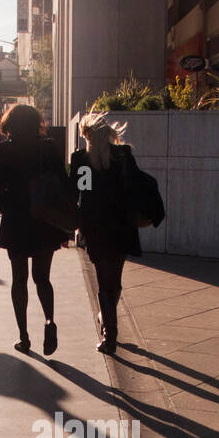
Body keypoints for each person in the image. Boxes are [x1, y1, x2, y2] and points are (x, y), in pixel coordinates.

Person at [0, 104, 73, 355]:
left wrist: (9, 208)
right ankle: (49, 322)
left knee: (19, 280)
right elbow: (65, 184)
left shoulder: (3, 150)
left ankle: (24, 337)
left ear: (10, 124)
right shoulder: (48, 148)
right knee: (43, 278)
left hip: (16, 221)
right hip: (44, 221)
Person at [71, 113, 142, 355]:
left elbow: (80, 193)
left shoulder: (82, 160)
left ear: (86, 135)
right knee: (116, 279)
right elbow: (133, 189)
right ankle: (108, 322)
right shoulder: (122, 156)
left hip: (96, 227)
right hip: (121, 225)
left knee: (103, 280)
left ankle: (109, 334)